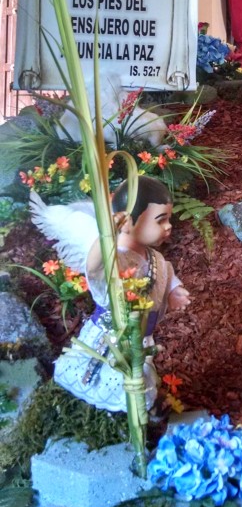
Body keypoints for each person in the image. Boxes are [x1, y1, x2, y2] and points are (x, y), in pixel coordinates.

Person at [31, 176, 190, 411]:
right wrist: (106, 238)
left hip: (141, 337)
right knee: (116, 379)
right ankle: (111, 413)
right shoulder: (116, 259)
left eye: (168, 219)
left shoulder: (154, 257)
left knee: (139, 377)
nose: (168, 227)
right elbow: (95, 267)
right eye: (161, 220)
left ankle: (134, 410)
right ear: (127, 223)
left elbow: (164, 273)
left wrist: (174, 291)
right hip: (111, 339)